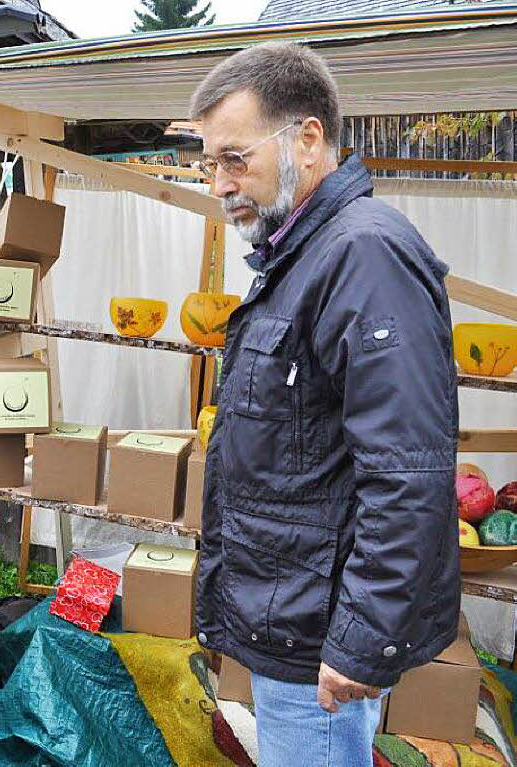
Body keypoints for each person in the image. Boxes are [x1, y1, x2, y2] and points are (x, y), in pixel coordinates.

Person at [189, 42, 459, 767]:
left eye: (235, 158)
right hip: (297, 626)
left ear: (308, 140)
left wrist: (361, 640)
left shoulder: (362, 256)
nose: (219, 183)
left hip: (321, 650)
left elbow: (407, 472)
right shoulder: (303, 255)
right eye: (210, 162)